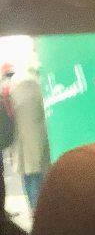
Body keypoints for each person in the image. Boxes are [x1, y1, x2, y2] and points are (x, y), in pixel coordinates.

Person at [8, 68, 50, 212]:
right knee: (40, 178)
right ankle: (41, 210)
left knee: (29, 179)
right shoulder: (39, 91)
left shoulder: (13, 94)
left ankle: (34, 209)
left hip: (21, 147)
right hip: (39, 144)